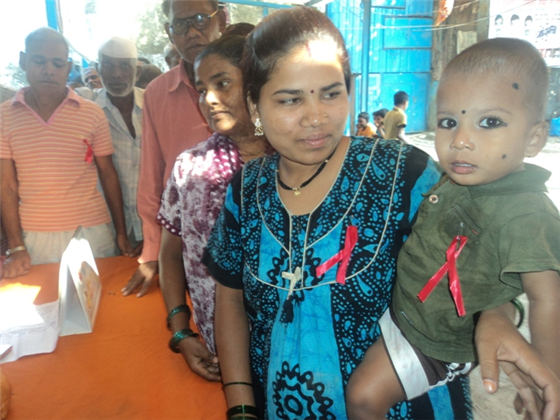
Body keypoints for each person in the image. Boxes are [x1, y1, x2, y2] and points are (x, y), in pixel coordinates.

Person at [202, 8, 560, 420]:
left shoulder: (404, 174)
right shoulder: (247, 189)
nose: (315, 117)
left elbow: (489, 258)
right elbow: (230, 297)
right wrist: (241, 404)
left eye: (331, 93)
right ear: (255, 106)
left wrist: (497, 316)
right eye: (290, 99)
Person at [346, 37, 560, 420]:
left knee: (363, 397)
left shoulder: (527, 213)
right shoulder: (466, 176)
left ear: (534, 138)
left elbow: (547, 300)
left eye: (489, 122)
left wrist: (550, 378)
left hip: (438, 340)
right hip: (407, 311)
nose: (460, 141)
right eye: (449, 122)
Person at [158, 34, 270, 382]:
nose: (208, 99)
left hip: (293, 359)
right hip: (217, 353)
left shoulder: (298, 162)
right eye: (201, 89)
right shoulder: (190, 167)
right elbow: (170, 254)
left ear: (256, 84)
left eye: (222, 84)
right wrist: (181, 332)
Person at [0, 28, 132, 278]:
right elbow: (6, 185)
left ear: (68, 66)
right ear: (23, 60)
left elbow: (108, 174)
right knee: (45, 301)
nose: (49, 70)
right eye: (39, 61)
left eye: (58, 63)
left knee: (102, 300)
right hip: (34, 237)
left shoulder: (91, 113)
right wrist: (16, 246)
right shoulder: (4, 115)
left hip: (92, 232)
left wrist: (121, 233)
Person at [122, 0, 225, 297]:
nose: (192, 32)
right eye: (180, 24)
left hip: (246, 232)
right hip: (185, 240)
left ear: (221, 20)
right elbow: (152, 176)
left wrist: (256, 129)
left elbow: (263, 135)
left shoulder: (248, 81)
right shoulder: (157, 93)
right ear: (169, 32)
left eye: (201, 19)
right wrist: (152, 250)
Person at [93, 37, 145, 254]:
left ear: (137, 72)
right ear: (98, 69)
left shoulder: (154, 104)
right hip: (108, 226)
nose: (116, 74)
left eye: (124, 66)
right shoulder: (88, 111)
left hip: (152, 223)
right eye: (108, 65)